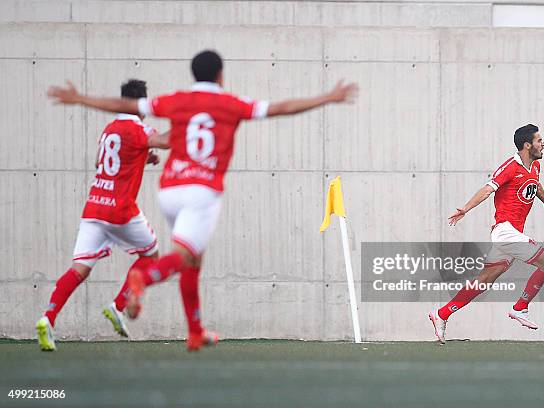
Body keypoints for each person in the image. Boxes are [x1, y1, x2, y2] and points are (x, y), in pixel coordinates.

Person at [48, 50, 358, 351]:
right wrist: (326, 97)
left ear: (193, 74)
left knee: (193, 259)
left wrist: (81, 99)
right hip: (201, 191)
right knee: (183, 255)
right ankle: (142, 277)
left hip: (170, 189)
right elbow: (280, 108)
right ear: (221, 75)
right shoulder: (230, 103)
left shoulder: (176, 100)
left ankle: (195, 332)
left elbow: (124, 104)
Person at [37, 79, 169, 351]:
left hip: (94, 207)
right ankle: (118, 306)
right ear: (139, 104)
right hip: (120, 211)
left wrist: (145, 158)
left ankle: (47, 318)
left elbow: (105, 162)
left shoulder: (109, 130)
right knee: (151, 255)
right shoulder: (138, 129)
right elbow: (164, 141)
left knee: (79, 269)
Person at [429, 124, 544, 344]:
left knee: (484, 281)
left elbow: (535, 184)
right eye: (538, 140)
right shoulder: (510, 166)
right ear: (527, 145)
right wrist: (465, 209)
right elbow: (488, 189)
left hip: (512, 234)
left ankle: (442, 314)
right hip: (505, 232)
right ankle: (520, 307)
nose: (543, 143)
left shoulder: (534, 166)